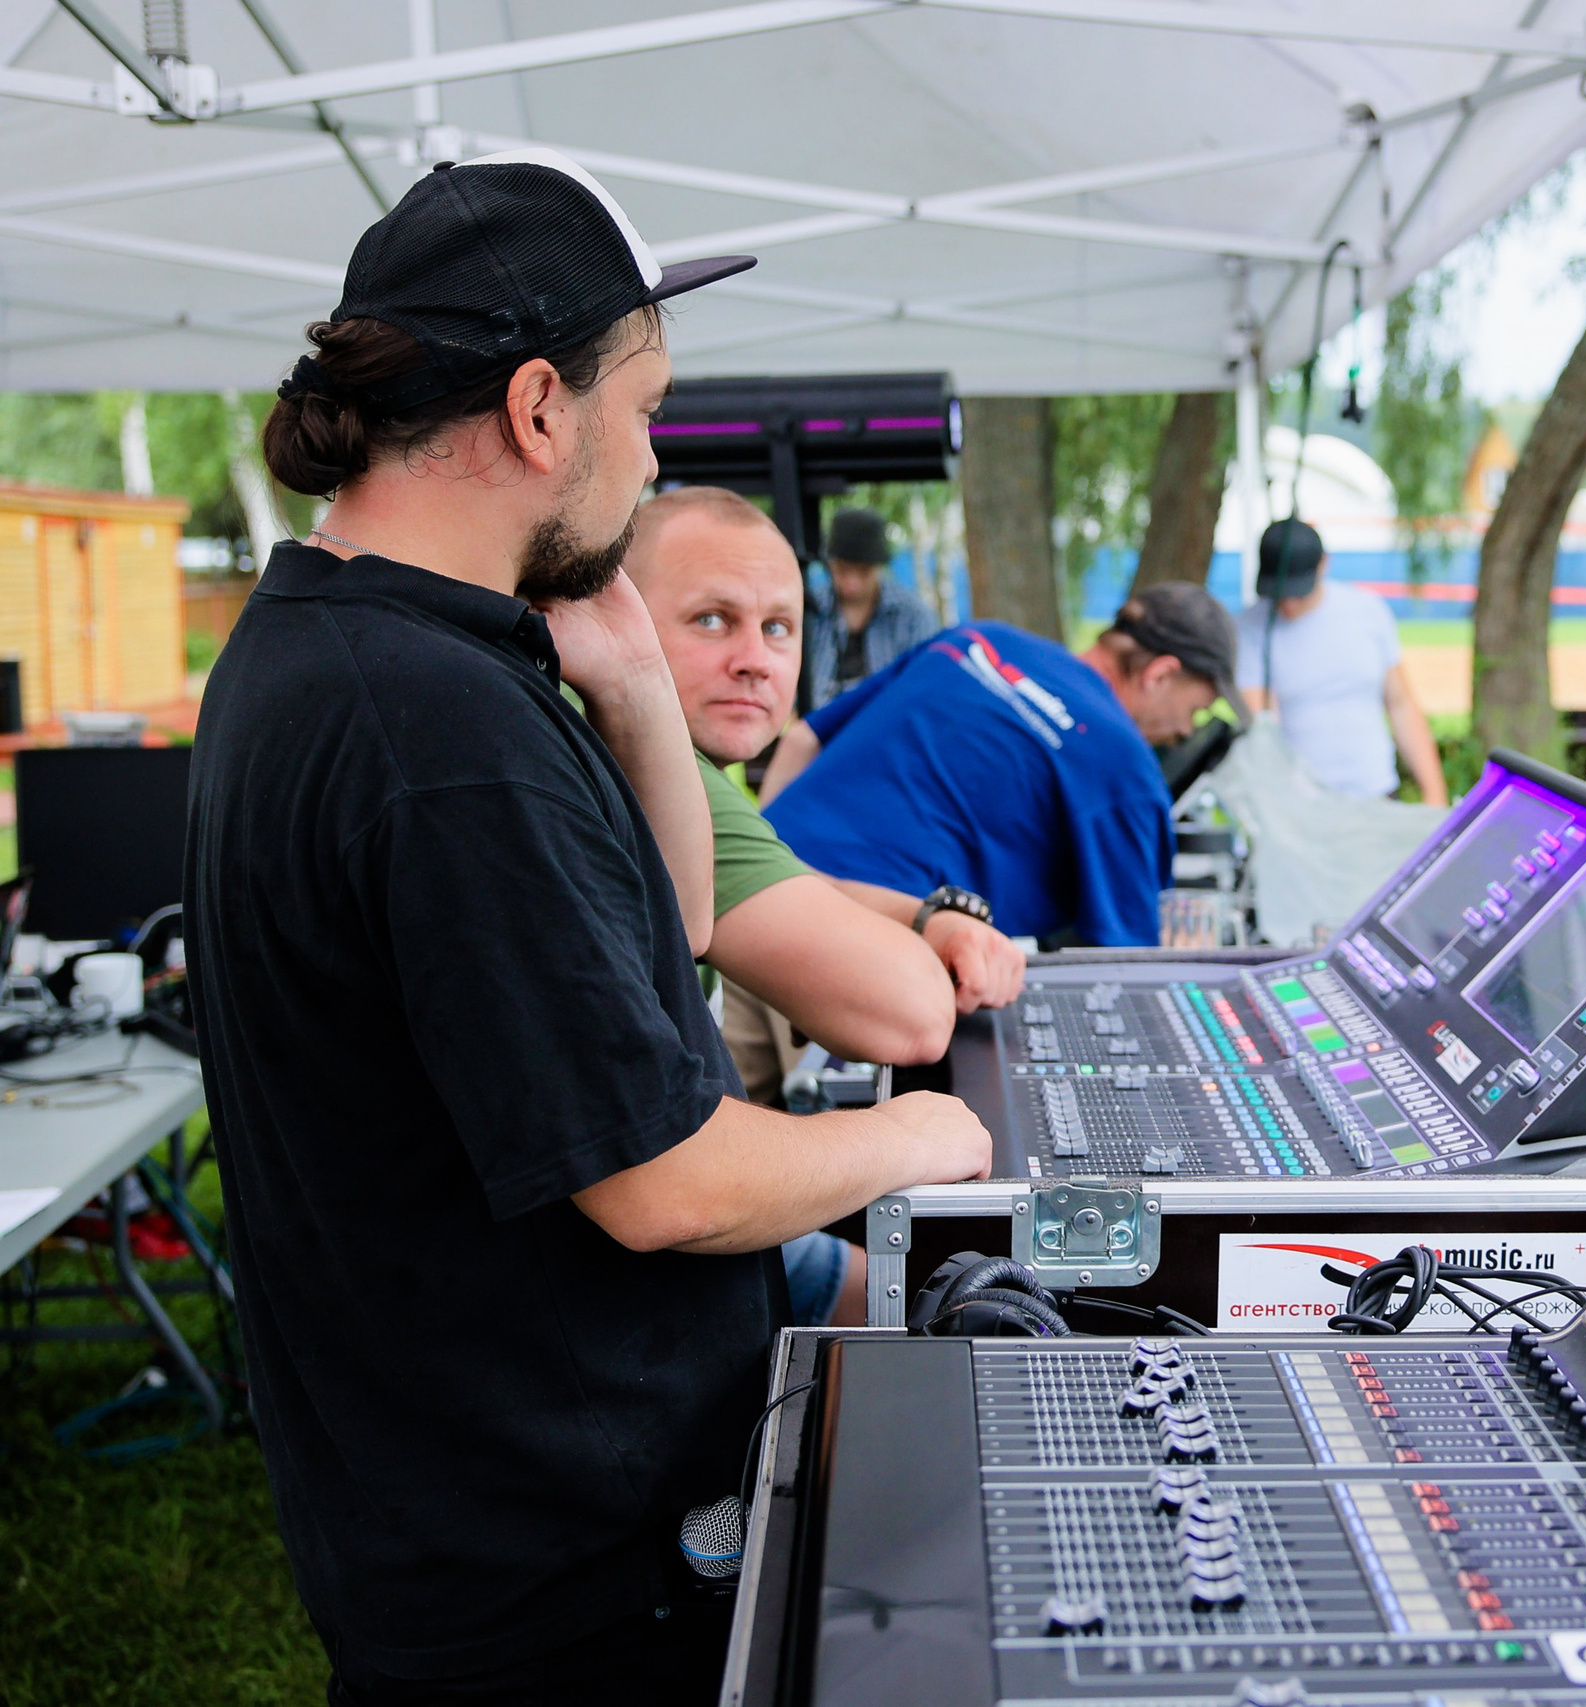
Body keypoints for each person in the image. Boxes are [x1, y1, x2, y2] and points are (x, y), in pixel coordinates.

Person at [184, 150, 989, 1707]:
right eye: (643, 409)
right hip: (554, 1575)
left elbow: (663, 935)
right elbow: (663, 1178)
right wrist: (925, 1143)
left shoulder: (360, 644)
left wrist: (629, 690)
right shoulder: (434, 728)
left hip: (459, 1507)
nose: (649, 452)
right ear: (540, 408)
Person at [620, 486, 1025, 1331]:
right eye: (710, 620)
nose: (754, 659)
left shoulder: (678, 762)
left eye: (777, 627)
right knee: (958, 1316)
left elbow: (782, 883)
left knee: (909, 1297)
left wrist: (930, 915)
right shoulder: (653, 766)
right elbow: (906, 1016)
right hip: (636, 1279)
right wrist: (906, 1133)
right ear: (617, 619)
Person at [759, 585, 1239, 948]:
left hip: (756, 895)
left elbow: (804, 737)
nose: (1183, 733)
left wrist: (762, 862)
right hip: (862, 944)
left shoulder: (979, 636)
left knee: (717, 1082)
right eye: (1194, 712)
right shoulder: (1128, 771)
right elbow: (1127, 964)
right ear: (1161, 675)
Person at [1236, 517, 1449, 805]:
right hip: (1304, 804)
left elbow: (1401, 704)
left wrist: (1435, 794)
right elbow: (1262, 726)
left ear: (1323, 564)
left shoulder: (1368, 611)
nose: (1288, 603)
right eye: (1279, 593)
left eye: (1298, 592)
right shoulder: (1251, 628)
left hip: (1377, 794)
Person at [805, 506, 936, 697]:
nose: (852, 583)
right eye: (842, 570)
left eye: (863, 572)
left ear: (879, 567)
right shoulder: (809, 609)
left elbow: (924, 685)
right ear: (829, 564)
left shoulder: (912, 616)